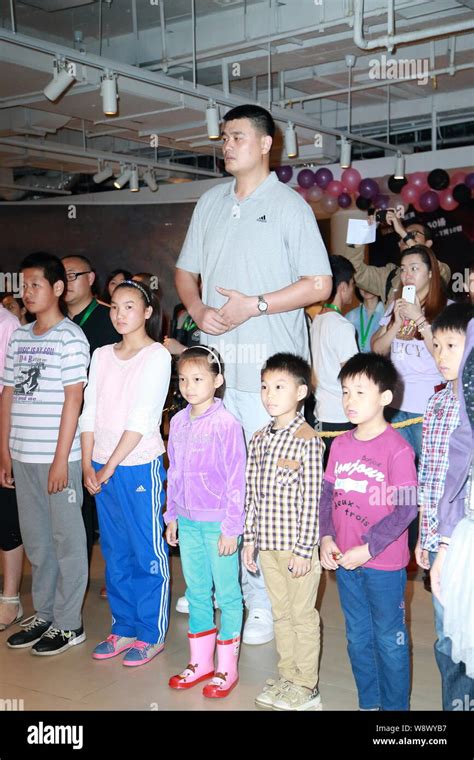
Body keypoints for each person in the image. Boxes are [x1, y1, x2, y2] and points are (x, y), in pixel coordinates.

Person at [175, 103, 332, 645]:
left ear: (267, 144)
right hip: (216, 372)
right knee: (217, 481)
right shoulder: (210, 203)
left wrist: (255, 306)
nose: (227, 145)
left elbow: (319, 284)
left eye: (238, 136)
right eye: (223, 137)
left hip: (270, 379)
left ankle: (264, 603)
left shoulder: (290, 207)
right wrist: (197, 311)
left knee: (267, 491)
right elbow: (184, 272)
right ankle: (224, 588)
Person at [0, 252, 89, 656]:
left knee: (67, 541)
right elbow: (8, 395)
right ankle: (46, 614)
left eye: (36, 284)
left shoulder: (71, 338)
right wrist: (5, 451)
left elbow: (74, 400)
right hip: (22, 455)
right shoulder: (19, 336)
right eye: (24, 285)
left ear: (57, 288)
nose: (27, 292)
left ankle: (70, 624)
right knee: (37, 541)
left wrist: (60, 459)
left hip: (59, 460)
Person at [319, 352, 418, 711]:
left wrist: (369, 547)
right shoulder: (341, 445)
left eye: (360, 392)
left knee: (389, 639)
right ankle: (369, 703)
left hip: (383, 565)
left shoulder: (399, 450)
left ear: (385, 398)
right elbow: (327, 494)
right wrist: (326, 536)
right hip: (346, 562)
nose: (349, 401)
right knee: (358, 637)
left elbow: (406, 508)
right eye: (345, 392)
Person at [80, 280, 171, 667]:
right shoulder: (101, 354)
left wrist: (110, 465)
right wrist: (87, 462)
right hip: (100, 466)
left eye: (129, 306)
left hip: (136, 465)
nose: (120, 314)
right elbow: (89, 411)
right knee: (114, 551)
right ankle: (124, 626)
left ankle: (151, 634)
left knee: (146, 551)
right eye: (115, 306)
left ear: (147, 312)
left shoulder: (156, 356)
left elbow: (142, 418)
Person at [243, 353, 324, 711]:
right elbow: (251, 493)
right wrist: (249, 540)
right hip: (269, 548)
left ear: (301, 391)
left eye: (279, 386)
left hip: (297, 550)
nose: (269, 394)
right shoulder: (259, 439)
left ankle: (306, 685)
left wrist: (305, 550)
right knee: (281, 614)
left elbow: (312, 499)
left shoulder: (308, 439)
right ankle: (287, 675)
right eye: (264, 386)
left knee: (302, 616)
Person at [165, 346, 246, 697]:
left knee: (227, 594)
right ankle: (202, 662)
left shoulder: (227, 424)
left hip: (219, 526)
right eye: (183, 379)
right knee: (196, 591)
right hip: (188, 521)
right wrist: (172, 516)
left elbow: (237, 480)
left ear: (218, 380)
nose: (189, 386)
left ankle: (227, 667)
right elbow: (176, 474)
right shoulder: (179, 422)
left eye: (198, 379)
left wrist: (232, 527)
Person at [416, 303, 473, 710]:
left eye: (452, 346)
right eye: (436, 345)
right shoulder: (434, 406)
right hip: (438, 536)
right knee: (445, 631)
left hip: (464, 535)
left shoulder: (466, 409)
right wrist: (424, 534)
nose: (441, 355)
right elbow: (429, 479)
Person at [62, 255, 120, 582]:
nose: (67, 282)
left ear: (91, 278)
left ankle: (115, 575)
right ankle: (74, 578)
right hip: (64, 426)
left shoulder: (108, 317)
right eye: (62, 276)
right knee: (72, 507)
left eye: (74, 275)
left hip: (103, 424)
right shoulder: (53, 322)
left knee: (107, 506)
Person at [372, 245, 448, 460]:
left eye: (414, 269)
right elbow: (377, 349)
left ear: (431, 273)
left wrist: (419, 318)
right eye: (403, 269)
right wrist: (396, 322)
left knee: (429, 473)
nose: (407, 275)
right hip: (394, 405)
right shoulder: (395, 307)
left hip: (429, 409)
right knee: (400, 474)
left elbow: (444, 356)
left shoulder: (446, 309)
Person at [344, 213, 451, 307]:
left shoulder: (440, 268)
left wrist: (402, 231)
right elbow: (354, 271)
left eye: (413, 234)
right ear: (399, 245)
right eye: (402, 237)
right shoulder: (389, 275)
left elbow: (432, 264)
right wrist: (364, 232)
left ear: (428, 244)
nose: (405, 238)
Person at [310, 255, 358, 465]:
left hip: (319, 414)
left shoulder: (316, 321)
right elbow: (353, 377)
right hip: (342, 416)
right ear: (343, 287)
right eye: (353, 284)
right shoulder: (342, 326)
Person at [0, 300, 23, 631]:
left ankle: (10, 599)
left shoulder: (7, 325)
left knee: (6, 518)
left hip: (3, 430)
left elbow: (10, 391)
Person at [345, 287, 384, 353]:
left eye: (371, 281)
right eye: (363, 283)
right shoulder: (349, 316)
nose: (366, 287)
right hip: (354, 362)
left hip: (380, 362)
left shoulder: (387, 314)